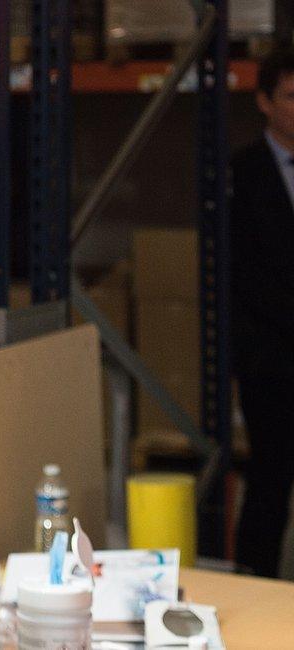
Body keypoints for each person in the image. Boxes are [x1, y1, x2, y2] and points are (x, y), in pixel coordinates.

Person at [231, 46, 294, 578]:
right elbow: (242, 275)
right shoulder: (241, 175)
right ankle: (259, 585)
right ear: (264, 102)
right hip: (271, 359)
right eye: (293, 96)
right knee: (270, 479)